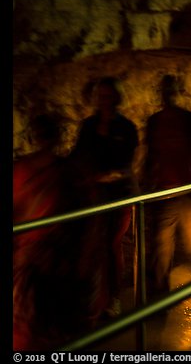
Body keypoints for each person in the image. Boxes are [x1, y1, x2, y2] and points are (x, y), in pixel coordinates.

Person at [13, 114, 105, 349]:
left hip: (52, 261)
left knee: (43, 328)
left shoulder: (66, 173)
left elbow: (87, 217)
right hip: (43, 263)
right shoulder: (30, 171)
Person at [71, 76, 139, 317]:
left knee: (111, 245)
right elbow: (77, 157)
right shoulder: (88, 126)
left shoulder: (126, 128)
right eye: (101, 96)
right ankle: (91, 298)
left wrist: (105, 176)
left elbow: (126, 165)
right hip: (92, 196)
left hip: (118, 196)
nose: (104, 101)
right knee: (90, 246)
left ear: (117, 98)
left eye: (108, 96)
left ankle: (113, 297)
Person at [142, 74, 191, 302]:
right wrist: (147, 187)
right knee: (161, 247)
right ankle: (160, 295)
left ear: (176, 93)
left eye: (171, 91)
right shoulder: (155, 122)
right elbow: (150, 156)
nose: (168, 95)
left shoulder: (187, 119)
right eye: (165, 91)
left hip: (188, 191)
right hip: (164, 192)